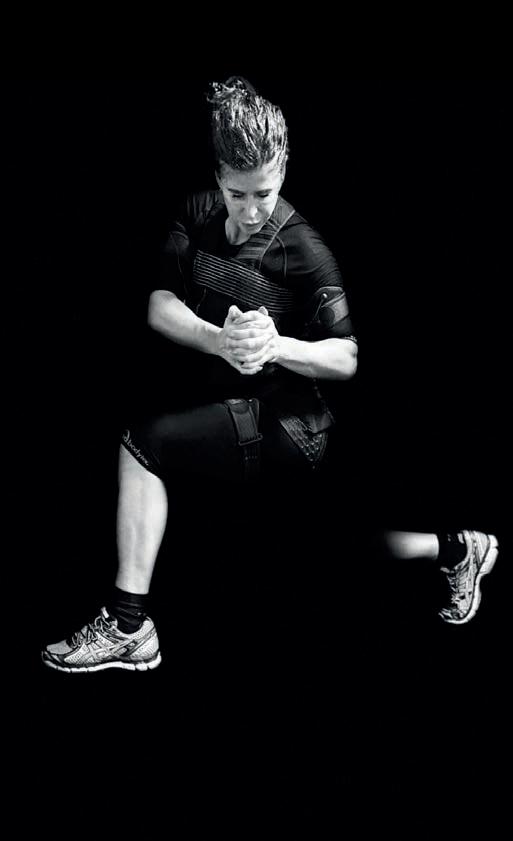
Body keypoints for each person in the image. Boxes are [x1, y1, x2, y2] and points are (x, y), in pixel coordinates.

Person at [41, 77, 498, 673]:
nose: (252, 210)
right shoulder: (196, 214)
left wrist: (276, 345)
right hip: (236, 403)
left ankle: (129, 627)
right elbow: (159, 304)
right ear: (218, 178)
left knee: (142, 445)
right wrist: (218, 340)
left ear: (282, 173)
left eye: (265, 192)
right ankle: (459, 548)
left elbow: (347, 357)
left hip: (292, 424)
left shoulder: (303, 247)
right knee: (337, 548)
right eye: (238, 194)